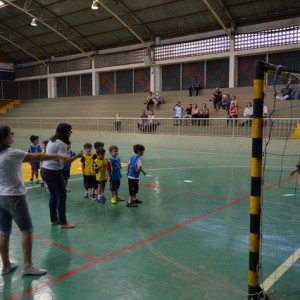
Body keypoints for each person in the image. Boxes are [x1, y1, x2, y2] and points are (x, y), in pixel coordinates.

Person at [0, 126, 67, 275]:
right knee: (27, 230)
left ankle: (5, 265)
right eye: (9, 133)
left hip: (1, 197)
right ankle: (28, 265)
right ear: (4, 139)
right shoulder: (12, 154)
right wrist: (57, 156)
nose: (12, 134)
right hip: (14, 197)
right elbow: (37, 157)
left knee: (4, 231)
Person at [41, 123, 82, 229]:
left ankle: (54, 219)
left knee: (53, 195)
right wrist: (77, 156)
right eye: (70, 130)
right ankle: (63, 222)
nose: (71, 132)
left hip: (45, 170)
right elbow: (65, 162)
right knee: (62, 196)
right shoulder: (61, 144)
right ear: (65, 132)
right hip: (53, 172)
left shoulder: (52, 140)